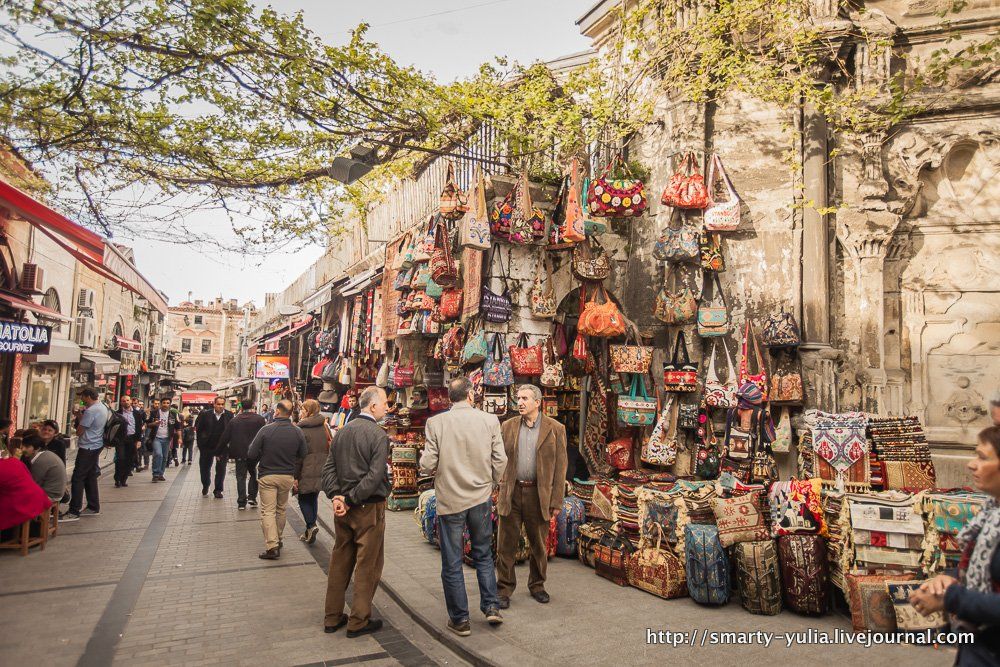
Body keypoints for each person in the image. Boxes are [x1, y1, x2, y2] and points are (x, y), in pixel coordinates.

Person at [420, 377, 507, 636]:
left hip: (450, 499)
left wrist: (428, 466)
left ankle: (460, 620)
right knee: (483, 555)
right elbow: (500, 459)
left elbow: (427, 463)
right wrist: (492, 481)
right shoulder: (490, 421)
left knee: (452, 560)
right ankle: (491, 606)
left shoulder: (436, 423)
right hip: (480, 497)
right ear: (470, 395)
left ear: (451, 397)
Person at [910, 425, 1000, 666]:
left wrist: (951, 598)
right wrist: (952, 579)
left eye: (982, 457)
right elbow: (980, 570)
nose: (972, 464)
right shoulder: (991, 514)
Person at [321, 386, 391, 638]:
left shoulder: (343, 431)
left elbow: (328, 468)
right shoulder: (377, 435)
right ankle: (359, 620)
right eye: (384, 403)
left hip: (344, 508)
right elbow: (375, 477)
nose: (387, 407)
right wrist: (349, 499)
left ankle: (332, 616)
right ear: (372, 406)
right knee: (367, 564)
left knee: (340, 560)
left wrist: (336, 496)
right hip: (367, 508)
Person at [495, 384, 567, 609]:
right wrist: (497, 485)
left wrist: (556, 500)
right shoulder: (507, 427)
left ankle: (537, 585)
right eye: (518, 398)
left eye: (525, 398)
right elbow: (497, 458)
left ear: (538, 402)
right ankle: (504, 588)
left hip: (539, 493)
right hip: (513, 491)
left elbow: (561, 467)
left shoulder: (555, 428)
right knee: (506, 543)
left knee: (538, 544)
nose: (520, 402)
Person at [248, 400, 307, 560]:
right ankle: (278, 539)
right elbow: (303, 453)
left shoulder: (266, 430)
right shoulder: (297, 431)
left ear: (278, 412)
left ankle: (272, 545)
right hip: (287, 476)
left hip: (268, 475)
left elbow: (252, 453)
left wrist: (263, 455)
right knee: (281, 509)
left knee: (268, 510)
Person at [63, 387, 109, 521]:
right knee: (90, 476)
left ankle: (74, 510)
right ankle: (93, 506)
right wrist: (79, 415)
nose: (82, 399)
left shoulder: (91, 411)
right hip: (96, 445)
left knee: (78, 478)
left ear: (88, 396)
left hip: (88, 446)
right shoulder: (102, 407)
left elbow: (79, 431)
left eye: (82, 396)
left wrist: (79, 418)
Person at [0, 433, 52, 538]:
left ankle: (9, 537)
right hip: (39, 498)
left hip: (25, 502)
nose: (22, 449)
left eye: (25, 447)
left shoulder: (38, 460)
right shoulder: (15, 462)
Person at [295, 399, 332, 544]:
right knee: (313, 497)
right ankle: (309, 530)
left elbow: (298, 456)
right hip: (322, 467)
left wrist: (295, 475)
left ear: (309, 411)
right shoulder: (325, 426)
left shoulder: (301, 429)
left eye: (303, 409)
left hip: (306, 468)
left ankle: (311, 525)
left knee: (303, 498)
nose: (301, 412)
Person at [218, 399, 266, 510]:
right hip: (255, 453)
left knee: (240, 476)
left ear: (241, 407)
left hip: (239, 453)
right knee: (253, 473)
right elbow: (264, 436)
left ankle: (241, 502)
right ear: (253, 405)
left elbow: (225, 437)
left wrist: (219, 451)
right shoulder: (259, 419)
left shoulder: (235, 421)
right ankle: (252, 497)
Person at [195, 396, 233, 497]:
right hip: (207, 446)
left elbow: (231, 431)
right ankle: (206, 484)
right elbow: (199, 430)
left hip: (222, 447)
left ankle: (218, 490)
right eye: (218, 404)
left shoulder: (229, 415)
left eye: (222, 404)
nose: (220, 406)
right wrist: (201, 445)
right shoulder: (205, 415)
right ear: (214, 404)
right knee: (204, 468)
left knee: (221, 469)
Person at [144, 397, 181, 483]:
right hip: (156, 437)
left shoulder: (173, 414)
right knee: (158, 454)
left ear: (170, 404)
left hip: (167, 438)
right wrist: (154, 423)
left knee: (165, 457)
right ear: (161, 404)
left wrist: (180, 438)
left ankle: (161, 473)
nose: (165, 404)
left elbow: (178, 427)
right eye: (164, 403)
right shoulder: (154, 413)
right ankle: (155, 474)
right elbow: (147, 424)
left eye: (168, 403)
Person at [20, 434, 66, 502]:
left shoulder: (40, 460)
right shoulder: (45, 454)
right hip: (55, 491)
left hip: (51, 494)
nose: (23, 449)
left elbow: (33, 484)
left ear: (37, 448)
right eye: (22, 446)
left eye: (27, 447)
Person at [114, 396, 144, 488]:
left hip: (132, 439)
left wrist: (138, 440)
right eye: (123, 401)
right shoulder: (117, 413)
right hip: (121, 439)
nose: (126, 402)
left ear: (130, 401)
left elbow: (139, 427)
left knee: (129, 459)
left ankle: (124, 479)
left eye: (127, 400)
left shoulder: (137, 413)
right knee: (120, 458)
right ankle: (117, 479)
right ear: (121, 403)